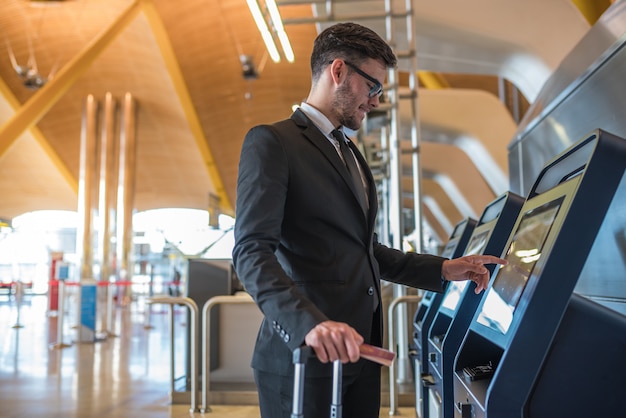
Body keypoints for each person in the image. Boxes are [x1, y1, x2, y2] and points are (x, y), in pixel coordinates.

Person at [232, 22, 507, 418]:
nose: (376, 101)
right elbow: (251, 251)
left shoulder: (349, 153)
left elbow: (366, 250)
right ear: (338, 71)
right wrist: (309, 324)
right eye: (373, 87)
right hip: (306, 356)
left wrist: (445, 269)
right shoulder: (273, 143)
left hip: (361, 354)